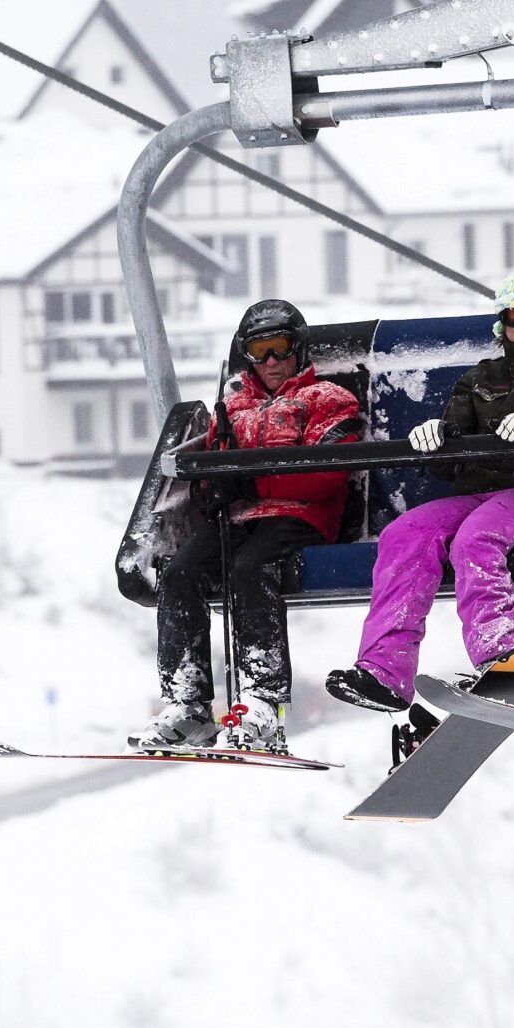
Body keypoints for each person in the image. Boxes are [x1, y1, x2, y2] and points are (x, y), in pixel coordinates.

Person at [326, 270, 514, 713]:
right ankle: (385, 671)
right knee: (406, 533)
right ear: (502, 324)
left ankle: (499, 651)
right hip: (482, 491)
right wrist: (438, 437)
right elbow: (450, 459)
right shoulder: (480, 379)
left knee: (477, 537)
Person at [135, 297, 364, 756]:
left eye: (280, 348)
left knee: (250, 569)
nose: (273, 362)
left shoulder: (329, 400)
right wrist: (212, 488)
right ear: (247, 355)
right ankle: (189, 703)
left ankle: (264, 701)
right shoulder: (232, 407)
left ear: (298, 349)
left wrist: (249, 476)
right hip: (242, 517)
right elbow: (209, 470)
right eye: (261, 351)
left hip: (304, 515)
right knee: (180, 572)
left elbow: (326, 473)